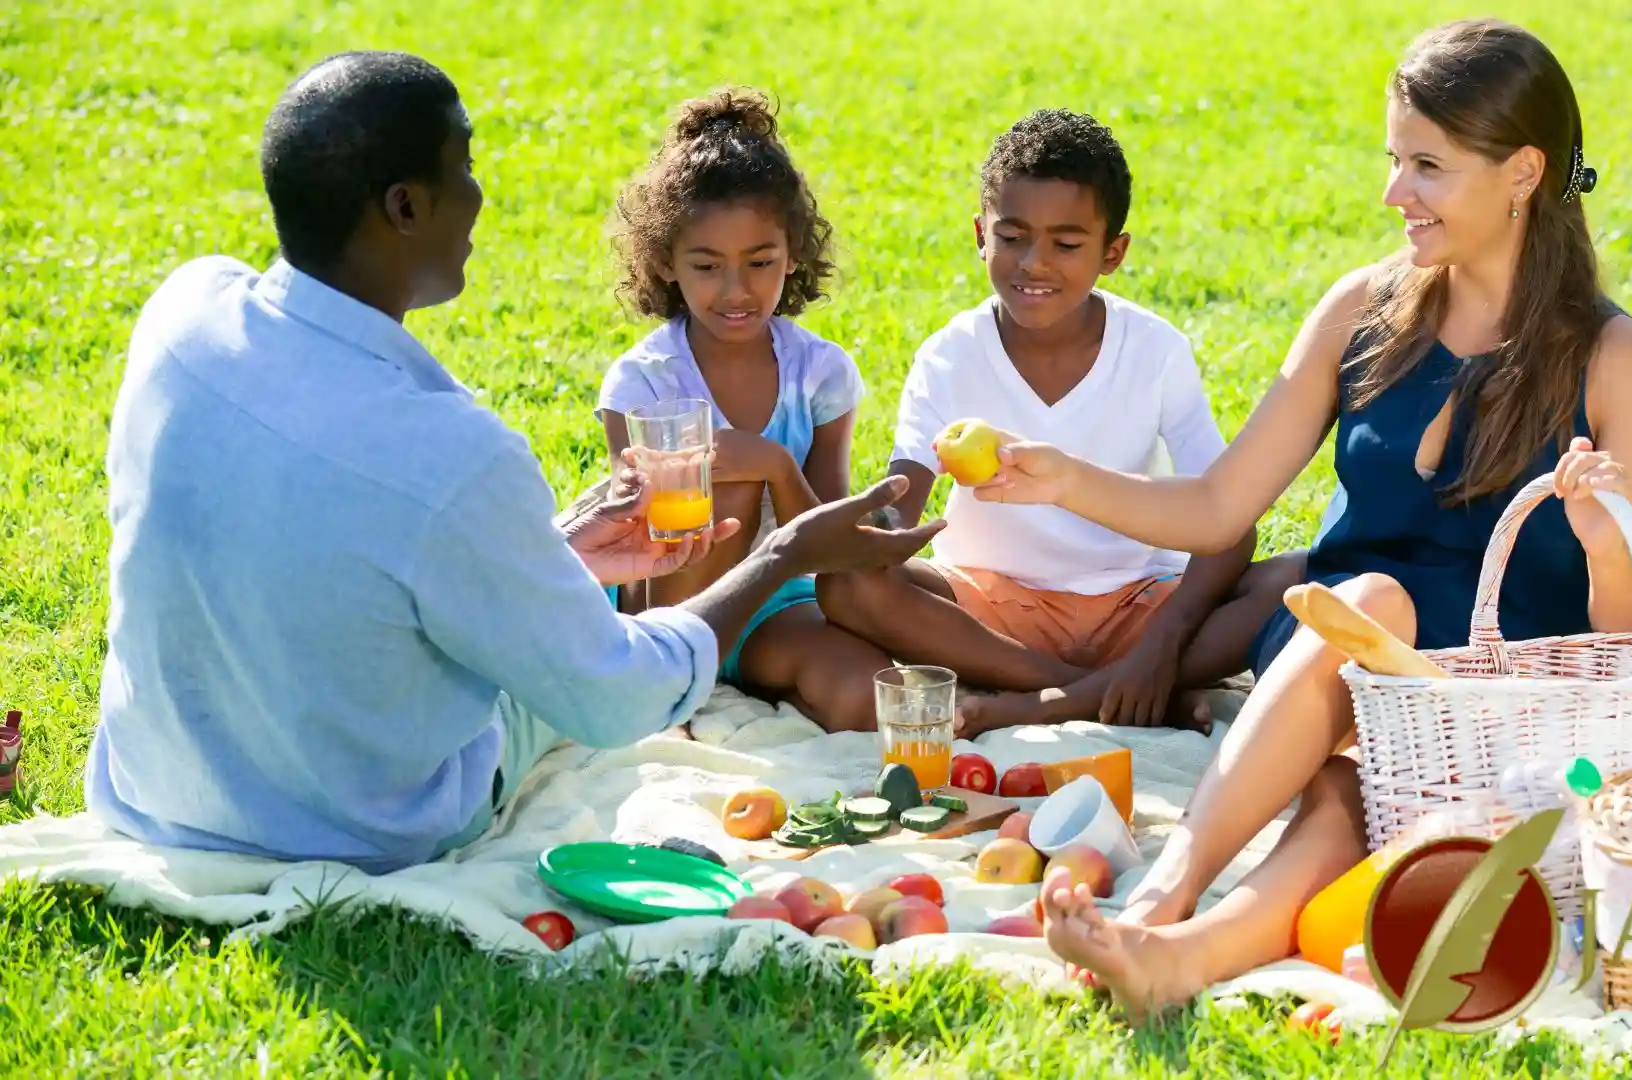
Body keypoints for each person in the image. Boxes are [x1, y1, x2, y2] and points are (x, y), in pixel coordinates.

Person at [84, 52, 939, 875]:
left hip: (162, 790)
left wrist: (561, 544)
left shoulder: (180, 315)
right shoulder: (453, 453)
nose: (482, 195)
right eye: (465, 165)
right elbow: (616, 696)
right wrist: (782, 555)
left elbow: (343, 552)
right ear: (406, 207)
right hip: (364, 826)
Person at [985, 20, 1632, 1018]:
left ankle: (1180, 957)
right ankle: (1167, 895)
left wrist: (1606, 548)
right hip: (1336, 659)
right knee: (1371, 614)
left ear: (1522, 173)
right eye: (1396, 160)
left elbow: (1631, 644)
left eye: (1427, 166)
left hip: (1496, 706)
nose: (1395, 193)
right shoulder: (1363, 310)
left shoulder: (1616, 361)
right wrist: (1061, 478)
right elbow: (1221, 503)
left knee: (1349, 795)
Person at [815, 109, 1295, 735]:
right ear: (980, 235)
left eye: (1067, 245)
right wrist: (874, 532)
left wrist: (1163, 641)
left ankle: (1048, 698)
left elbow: (1228, 522)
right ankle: (1100, 695)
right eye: (1012, 237)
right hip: (990, 612)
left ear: (1112, 252)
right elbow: (901, 502)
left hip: (1140, 605)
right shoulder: (950, 355)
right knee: (847, 589)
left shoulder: (1154, 350)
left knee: (1299, 578)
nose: (1035, 263)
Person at [595, 88, 891, 733]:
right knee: (716, 482)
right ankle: (674, 686)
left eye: (761, 263)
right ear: (666, 262)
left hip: (775, 605)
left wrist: (778, 466)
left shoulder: (820, 373)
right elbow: (636, 542)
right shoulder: (644, 381)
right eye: (707, 266)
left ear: (794, 256)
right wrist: (746, 469)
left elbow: (826, 540)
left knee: (867, 697)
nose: (737, 291)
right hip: (667, 614)